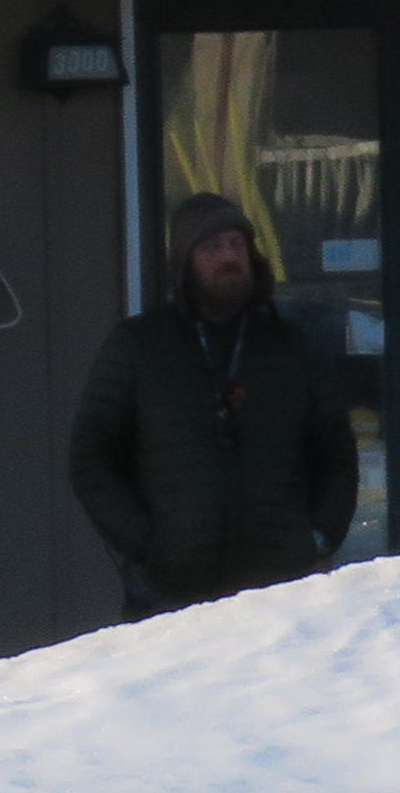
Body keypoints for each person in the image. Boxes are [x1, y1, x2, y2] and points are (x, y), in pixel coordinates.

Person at [67, 190, 360, 621]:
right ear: (185, 261)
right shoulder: (138, 346)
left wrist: (318, 538)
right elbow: (91, 459)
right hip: (171, 594)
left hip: (282, 594)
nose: (228, 257)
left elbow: (336, 455)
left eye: (237, 244)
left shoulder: (291, 346)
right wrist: (148, 543)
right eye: (211, 246)